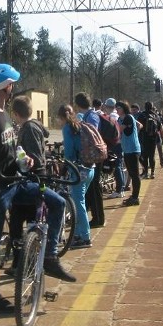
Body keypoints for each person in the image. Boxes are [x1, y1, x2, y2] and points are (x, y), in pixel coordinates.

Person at [0, 64, 75, 315]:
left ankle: (49, 256)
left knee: (56, 203)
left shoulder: (4, 115)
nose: (13, 87)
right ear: (7, 87)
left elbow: (13, 148)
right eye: (12, 83)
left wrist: (26, 160)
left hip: (16, 183)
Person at [7, 95, 48, 262]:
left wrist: (20, 161)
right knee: (29, 219)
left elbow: (35, 157)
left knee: (18, 220)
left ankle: (21, 262)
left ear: (16, 114)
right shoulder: (35, 125)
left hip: (32, 178)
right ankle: (27, 259)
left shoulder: (29, 128)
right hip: (36, 177)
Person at [57, 104, 95, 249]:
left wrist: (64, 165)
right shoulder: (80, 124)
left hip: (79, 170)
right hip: (90, 168)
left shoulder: (67, 128)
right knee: (80, 203)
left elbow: (68, 154)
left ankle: (84, 238)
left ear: (61, 117)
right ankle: (79, 234)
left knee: (78, 205)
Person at [74, 92, 105, 228]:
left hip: (94, 156)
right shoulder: (90, 115)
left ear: (78, 105)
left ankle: (99, 218)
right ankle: (96, 217)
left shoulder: (91, 117)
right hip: (93, 155)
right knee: (92, 187)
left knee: (94, 188)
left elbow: (91, 136)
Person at [114, 101, 141, 206]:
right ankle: (134, 196)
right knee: (131, 172)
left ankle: (135, 198)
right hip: (127, 149)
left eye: (118, 108)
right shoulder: (120, 119)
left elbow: (119, 130)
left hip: (133, 149)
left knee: (135, 174)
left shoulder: (128, 117)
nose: (117, 110)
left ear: (124, 108)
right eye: (116, 108)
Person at [101, 98, 126, 198]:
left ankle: (119, 189)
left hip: (114, 144)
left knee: (116, 167)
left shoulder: (111, 116)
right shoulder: (117, 116)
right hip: (119, 143)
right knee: (118, 165)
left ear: (107, 106)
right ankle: (122, 188)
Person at [138, 101, 158, 179]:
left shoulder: (142, 115)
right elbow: (159, 126)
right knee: (152, 156)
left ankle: (146, 173)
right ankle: (152, 173)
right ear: (152, 107)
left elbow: (139, 126)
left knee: (145, 156)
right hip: (153, 139)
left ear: (145, 106)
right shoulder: (155, 115)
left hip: (144, 138)